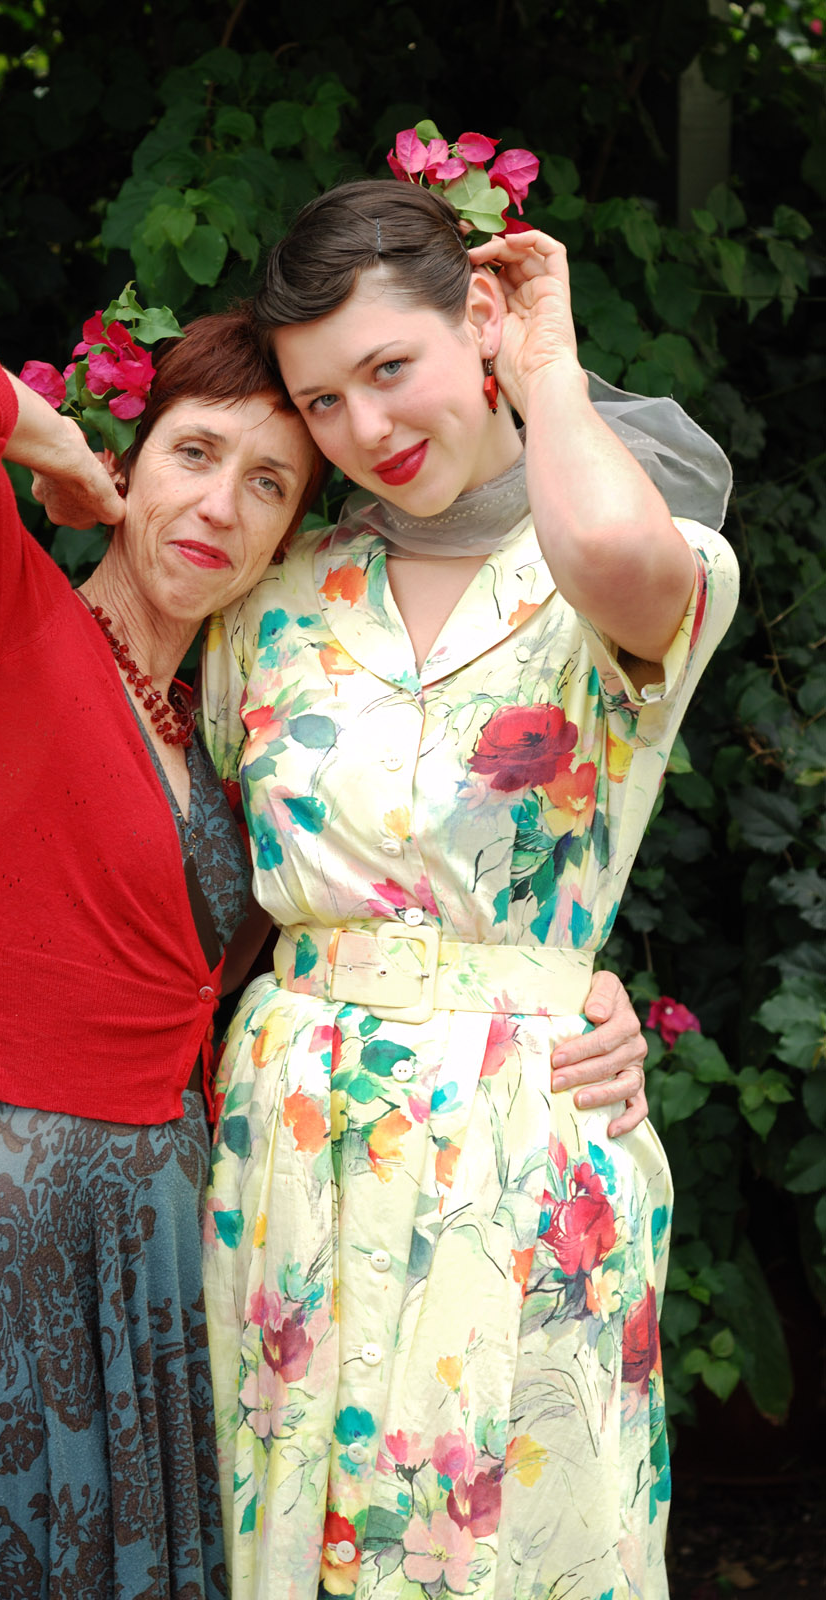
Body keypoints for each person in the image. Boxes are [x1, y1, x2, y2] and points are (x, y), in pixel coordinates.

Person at [196, 182, 738, 1599]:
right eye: (322, 401)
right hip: (291, 1152)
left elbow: (613, 558)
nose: (365, 428)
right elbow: (181, 876)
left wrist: (547, 361)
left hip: (526, 1138)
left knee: (519, 1544)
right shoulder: (274, 600)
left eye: (392, 367)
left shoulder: (628, 558)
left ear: (480, 317)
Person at [0, 305, 326, 1600]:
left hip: (165, 1240)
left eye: (267, 482)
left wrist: (579, 996)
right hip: (6, 1214)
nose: (219, 505)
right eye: (194, 453)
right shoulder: (9, 615)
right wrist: (59, 451)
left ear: (289, 534)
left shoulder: (233, 759)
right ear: (135, 459)